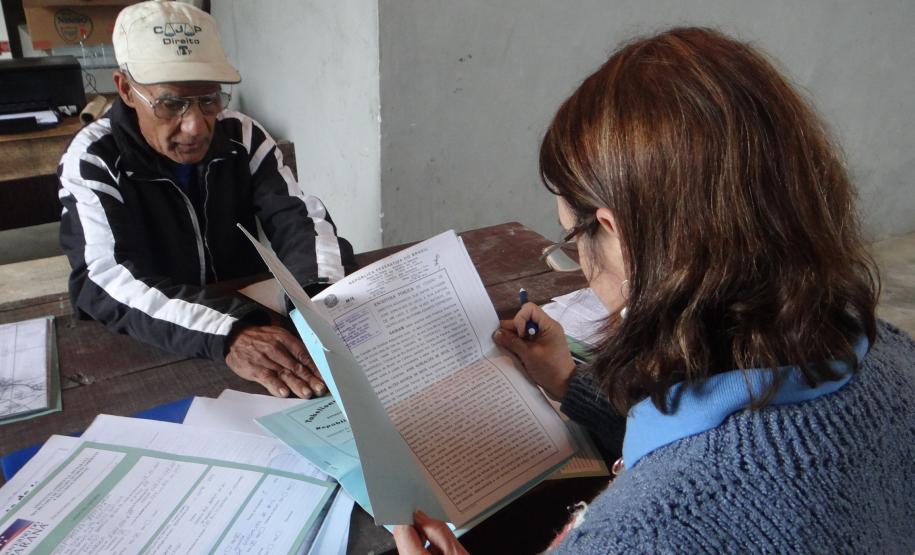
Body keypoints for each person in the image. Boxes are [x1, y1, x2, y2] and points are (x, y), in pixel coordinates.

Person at [394, 27, 915, 553]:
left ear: (617, 233)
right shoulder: (897, 360)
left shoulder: (638, 534)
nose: (579, 259)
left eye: (572, 237)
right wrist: (571, 381)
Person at [58, 1, 356, 399]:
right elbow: (106, 278)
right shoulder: (95, 158)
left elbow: (299, 219)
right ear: (126, 90)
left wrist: (317, 299)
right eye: (171, 104)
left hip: (255, 320)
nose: (196, 125)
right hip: (156, 340)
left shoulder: (242, 136)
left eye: (209, 99)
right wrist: (229, 331)